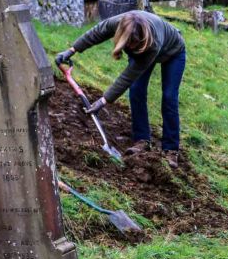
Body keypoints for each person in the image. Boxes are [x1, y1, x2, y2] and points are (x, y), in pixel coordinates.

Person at [55, 10, 186, 168]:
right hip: (143, 51)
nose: (129, 47)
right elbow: (96, 33)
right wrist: (71, 50)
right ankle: (142, 140)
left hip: (173, 53)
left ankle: (171, 149)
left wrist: (103, 101)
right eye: (127, 44)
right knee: (136, 90)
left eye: (133, 43)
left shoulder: (153, 43)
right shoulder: (118, 23)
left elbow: (127, 77)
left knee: (169, 97)